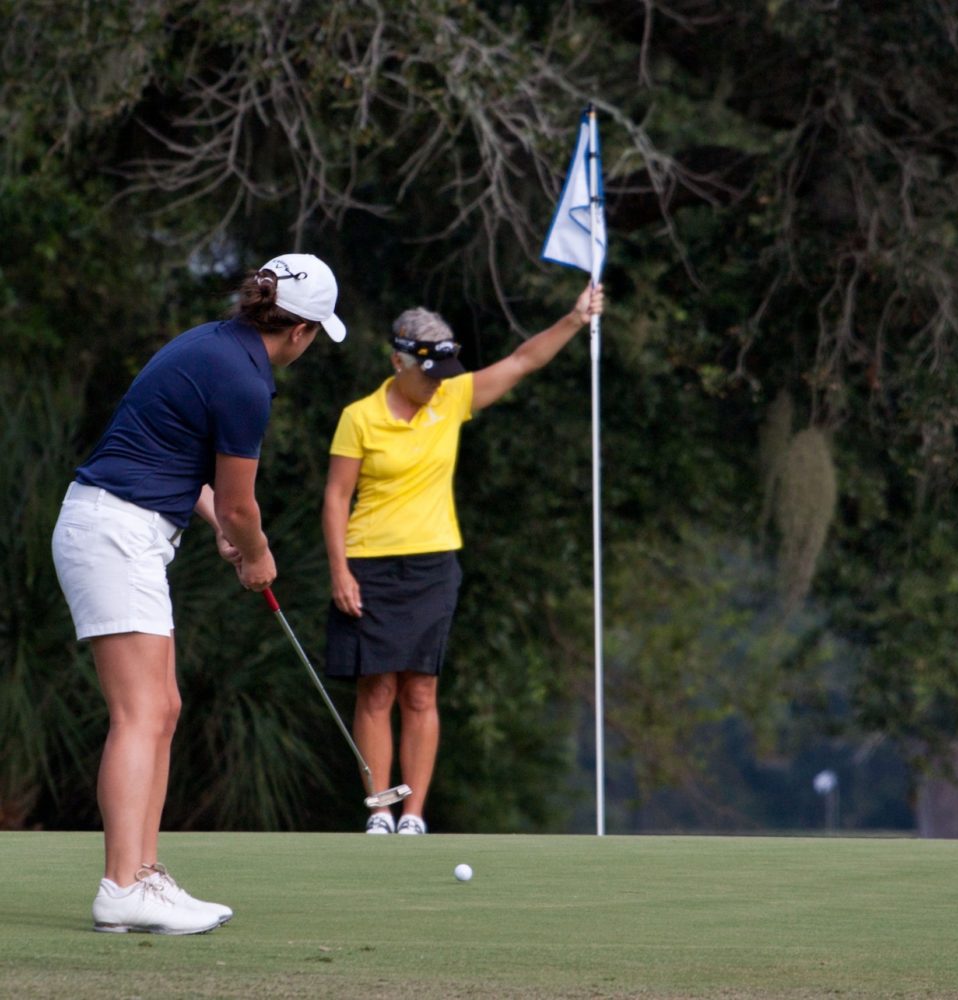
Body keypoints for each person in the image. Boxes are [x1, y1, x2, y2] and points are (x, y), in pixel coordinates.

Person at [52, 253, 346, 934]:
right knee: (141, 710)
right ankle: (122, 884)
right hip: (114, 531)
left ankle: (142, 878)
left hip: (125, 528)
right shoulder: (247, 380)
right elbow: (243, 505)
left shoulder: (211, 343)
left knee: (163, 706)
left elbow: (182, 463)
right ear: (300, 332)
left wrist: (218, 525)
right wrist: (255, 556)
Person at [322, 282, 604, 834]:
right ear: (397, 360)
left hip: (433, 564)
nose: (435, 385)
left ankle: (414, 814)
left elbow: (523, 360)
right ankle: (379, 808)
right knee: (377, 688)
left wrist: (574, 318)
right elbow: (336, 498)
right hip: (369, 563)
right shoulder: (359, 417)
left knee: (421, 689)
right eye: (426, 374)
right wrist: (339, 571)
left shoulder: (451, 401)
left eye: (441, 375)